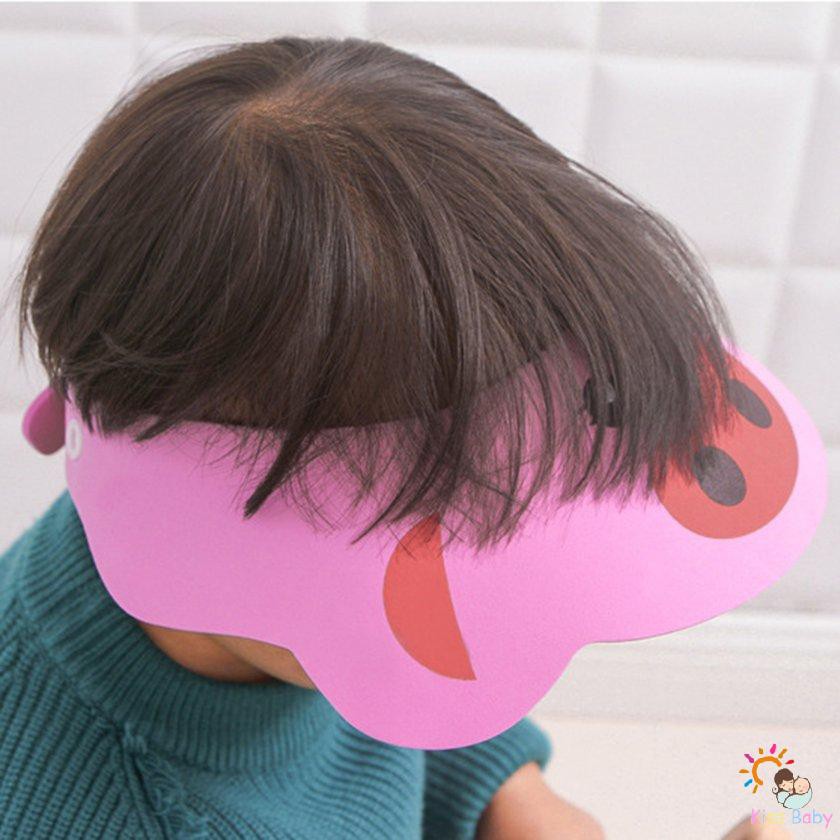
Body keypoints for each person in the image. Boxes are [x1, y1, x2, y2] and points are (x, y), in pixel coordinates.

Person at [3, 34, 738, 838]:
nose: (489, 569)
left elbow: (413, 668)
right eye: (443, 546)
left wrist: (507, 791)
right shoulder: (112, 813)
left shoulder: (191, 562)